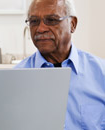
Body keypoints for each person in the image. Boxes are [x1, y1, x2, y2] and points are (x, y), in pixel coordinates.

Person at [14, 0, 105, 129]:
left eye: (51, 20)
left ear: (72, 24)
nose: (41, 28)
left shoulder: (101, 73)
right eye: (34, 21)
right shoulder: (15, 79)